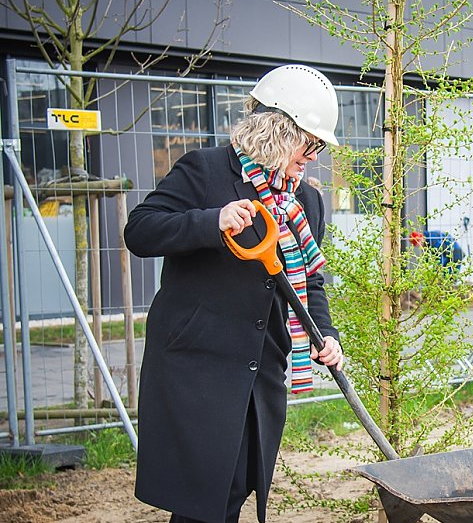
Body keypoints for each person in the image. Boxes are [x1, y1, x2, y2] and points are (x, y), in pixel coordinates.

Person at [125, 64, 345, 523]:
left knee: (239, 483)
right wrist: (212, 221)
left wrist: (326, 333)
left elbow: (311, 280)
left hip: (260, 368)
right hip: (200, 364)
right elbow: (140, 231)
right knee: (206, 497)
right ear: (278, 131)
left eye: (319, 146)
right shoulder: (205, 171)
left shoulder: (306, 202)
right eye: (311, 143)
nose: (314, 157)